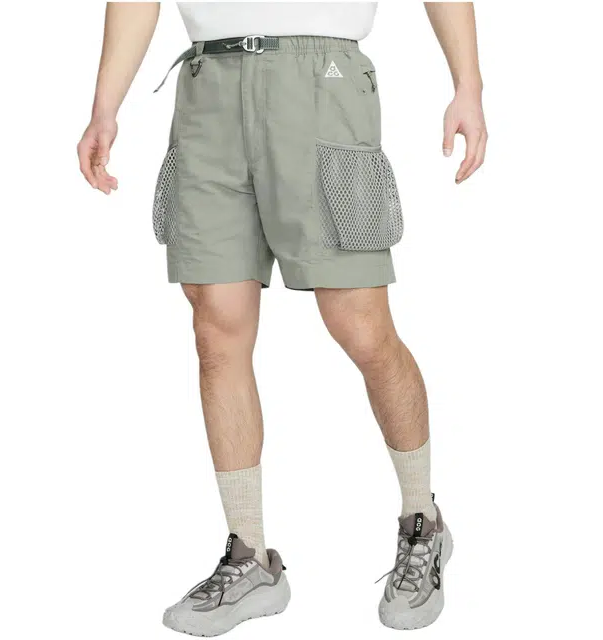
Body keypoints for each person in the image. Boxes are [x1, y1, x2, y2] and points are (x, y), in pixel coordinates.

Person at [78, 2, 487, 634]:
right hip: (209, 89)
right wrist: (105, 106)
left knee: (361, 325)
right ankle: (250, 557)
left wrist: (468, 84)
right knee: (216, 330)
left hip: (321, 82)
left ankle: (421, 521)